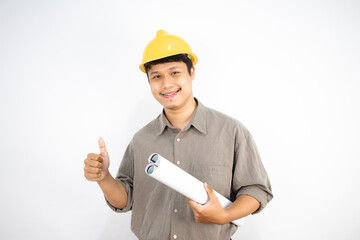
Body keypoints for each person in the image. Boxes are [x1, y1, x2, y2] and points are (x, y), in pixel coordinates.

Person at [84, 30, 273, 240]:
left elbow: (256, 189)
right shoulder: (141, 140)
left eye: (175, 73)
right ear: (149, 82)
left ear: (192, 72)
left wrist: (224, 215)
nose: (166, 84)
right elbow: (125, 199)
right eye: (156, 76)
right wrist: (104, 178)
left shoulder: (230, 131)